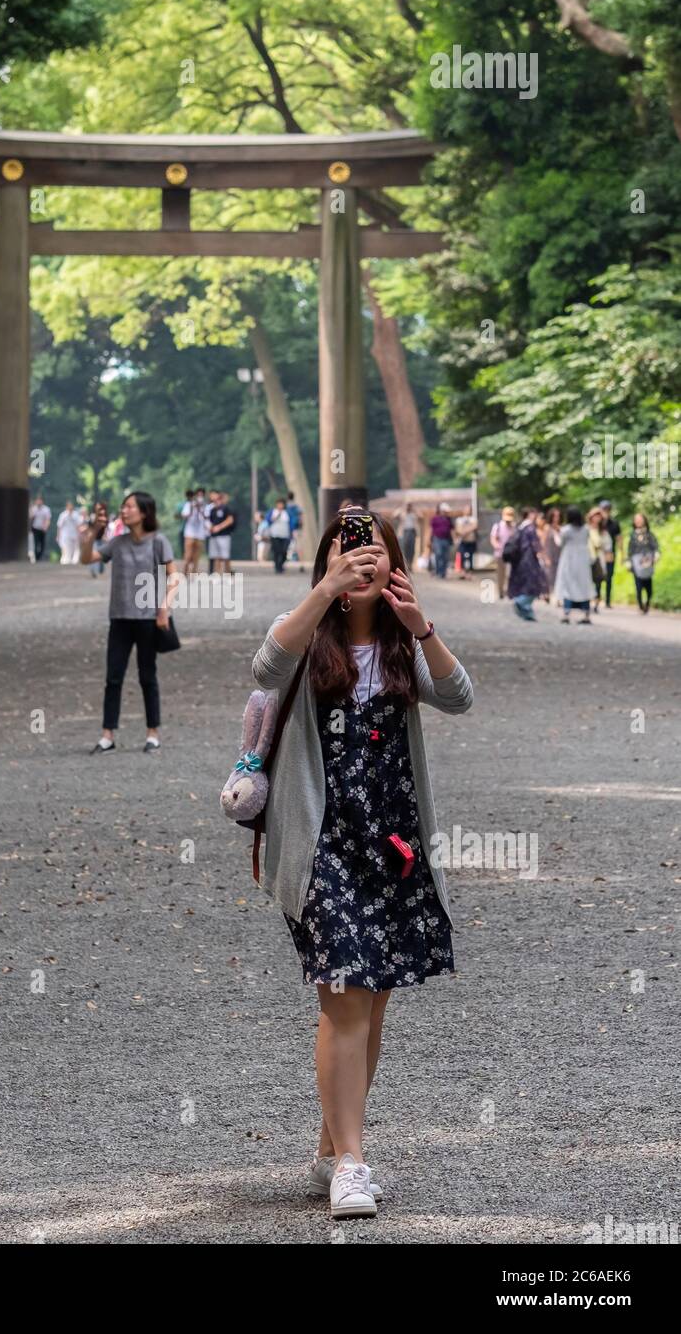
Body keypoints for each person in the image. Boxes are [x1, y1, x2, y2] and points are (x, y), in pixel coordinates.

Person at [251, 510, 473, 1219]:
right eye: (346, 553)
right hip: (323, 845)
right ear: (326, 566)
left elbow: (460, 697)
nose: (361, 562)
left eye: (372, 551)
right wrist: (321, 593)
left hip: (394, 845)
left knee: (369, 1003)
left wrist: (421, 626)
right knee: (344, 991)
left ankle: (328, 1147)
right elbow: (264, 666)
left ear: (393, 565)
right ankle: (351, 1162)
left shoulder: (402, 648)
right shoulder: (306, 638)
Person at [79, 491, 179, 754]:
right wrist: (94, 531)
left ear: (144, 512)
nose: (124, 511)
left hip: (148, 620)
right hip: (119, 619)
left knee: (148, 677)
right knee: (113, 678)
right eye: (123, 507)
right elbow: (86, 559)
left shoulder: (159, 542)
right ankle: (107, 735)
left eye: (130, 507)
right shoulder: (117, 542)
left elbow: (174, 577)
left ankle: (153, 733)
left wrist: (164, 607)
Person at [553, 506, 594, 624]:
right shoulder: (586, 529)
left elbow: (560, 543)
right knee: (584, 587)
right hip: (583, 559)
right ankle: (586, 614)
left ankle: (566, 613)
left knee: (568, 586)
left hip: (569, 558)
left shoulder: (566, 530)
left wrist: (556, 533)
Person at [506, 507, 547, 621]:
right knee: (534, 585)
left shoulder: (520, 526)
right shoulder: (529, 527)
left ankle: (527, 611)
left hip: (519, 560)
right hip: (529, 560)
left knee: (525, 584)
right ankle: (522, 603)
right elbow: (535, 545)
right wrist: (541, 555)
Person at [627, 513, 659, 614]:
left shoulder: (649, 534)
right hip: (636, 565)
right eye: (636, 519)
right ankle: (641, 606)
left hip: (648, 563)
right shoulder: (633, 535)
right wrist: (628, 561)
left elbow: (655, 546)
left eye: (640, 519)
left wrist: (657, 554)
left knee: (649, 588)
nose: (638, 521)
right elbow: (630, 550)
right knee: (639, 586)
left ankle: (647, 604)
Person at [586, 507, 613, 614]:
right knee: (588, 581)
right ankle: (587, 602)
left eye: (599, 516)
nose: (597, 518)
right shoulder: (586, 529)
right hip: (587, 558)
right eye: (595, 516)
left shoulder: (603, 532)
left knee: (598, 581)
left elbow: (608, 545)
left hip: (599, 558)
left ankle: (596, 602)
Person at [598, 499, 622, 610]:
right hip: (598, 554)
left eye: (607, 509)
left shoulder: (614, 524)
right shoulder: (597, 523)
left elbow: (619, 539)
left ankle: (607, 600)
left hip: (610, 553)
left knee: (609, 577)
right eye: (604, 509)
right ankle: (597, 598)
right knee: (597, 576)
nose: (606, 511)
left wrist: (622, 553)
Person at [489, 506, 516, 599]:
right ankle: (500, 591)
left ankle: (509, 591)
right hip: (500, 554)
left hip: (511, 554)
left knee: (510, 573)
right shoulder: (498, 526)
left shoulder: (514, 527)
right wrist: (497, 546)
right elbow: (493, 538)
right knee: (501, 574)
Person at [180, 487, 209, 573]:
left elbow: (206, 517)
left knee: (197, 556)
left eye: (202, 495)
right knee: (188, 555)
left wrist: (200, 508)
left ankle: (193, 573)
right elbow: (184, 516)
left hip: (200, 534)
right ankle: (185, 572)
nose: (200, 497)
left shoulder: (205, 506)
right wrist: (192, 508)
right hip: (189, 533)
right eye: (198, 495)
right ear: (195, 496)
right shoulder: (189, 504)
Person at [207, 491, 235, 574]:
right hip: (214, 536)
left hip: (224, 535)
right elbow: (210, 522)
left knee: (225, 557)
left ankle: (228, 573)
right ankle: (217, 574)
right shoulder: (212, 510)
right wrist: (211, 528)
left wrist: (219, 527)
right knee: (216, 557)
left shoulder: (226, 508)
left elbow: (230, 520)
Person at [539, 508, 562, 601]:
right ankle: (547, 593)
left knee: (558, 576)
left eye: (558, 516)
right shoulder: (547, 527)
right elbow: (543, 543)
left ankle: (557, 596)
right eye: (555, 516)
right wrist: (545, 556)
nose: (556, 518)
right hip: (549, 554)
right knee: (548, 575)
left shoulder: (560, 528)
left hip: (558, 554)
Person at [266, 497, 292, 573]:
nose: (280, 505)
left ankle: (281, 564)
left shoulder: (287, 513)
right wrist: (274, 518)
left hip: (285, 535)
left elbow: (291, 523)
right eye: (279, 504)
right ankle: (277, 567)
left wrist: (292, 532)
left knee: (284, 551)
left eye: (281, 504)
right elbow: (268, 520)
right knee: (276, 551)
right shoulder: (273, 512)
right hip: (275, 535)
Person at [428, 503, 454, 579]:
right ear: (441, 510)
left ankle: (443, 573)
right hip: (437, 539)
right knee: (438, 555)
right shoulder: (435, 518)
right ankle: (438, 572)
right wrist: (429, 540)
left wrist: (454, 539)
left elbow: (451, 529)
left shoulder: (448, 519)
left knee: (445, 556)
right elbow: (431, 529)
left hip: (446, 539)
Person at [56, 500, 81, 564]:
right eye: (69, 506)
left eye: (71, 506)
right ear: (66, 507)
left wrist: (79, 534)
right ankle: (67, 559)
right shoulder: (63, 515)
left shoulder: (76, 514)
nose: (70, 507)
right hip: (66, 534)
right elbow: (59, 526)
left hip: (75, 534)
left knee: (75, 548)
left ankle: (75, 559)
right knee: (67, 548)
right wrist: (58, 535)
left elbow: (79, 525)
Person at [454, 511, 478, 577]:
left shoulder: (473, 519)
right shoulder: (459, 519)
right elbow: (458, 530)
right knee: (461, 556)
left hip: (471, 541)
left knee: (470, 557)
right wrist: (467, 530)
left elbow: (475, 526)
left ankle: (469, 572)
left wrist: (465, 531)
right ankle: (463, 572)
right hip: (462, 541)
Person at [30, 496, 52, 562]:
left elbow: (48, 519)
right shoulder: (34, 509)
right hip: (35, 528)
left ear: (42, 501)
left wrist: (46, 527)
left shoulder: (46, 509)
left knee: (42, 543)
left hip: (42, 529)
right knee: (36, 543)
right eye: (37, 501)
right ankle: (36, 557)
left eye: (40, 500)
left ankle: (40, 556)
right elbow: (31, 517)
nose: (39, 502)